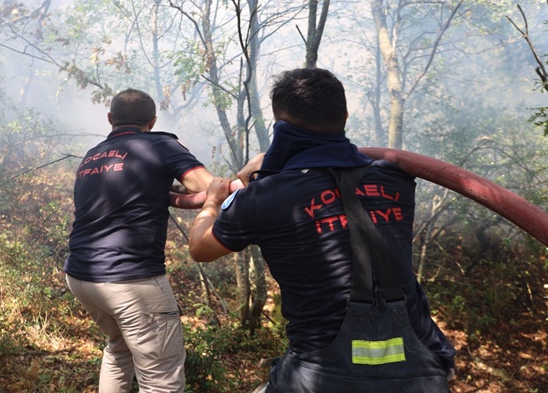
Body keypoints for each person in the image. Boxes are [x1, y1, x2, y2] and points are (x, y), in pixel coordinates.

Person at [189, 68, 456, 392]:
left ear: (279, 127)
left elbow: (200, 248)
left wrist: (214, 201)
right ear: (344, 116)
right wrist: (271, 163)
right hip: (423, 373)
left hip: (319, 379)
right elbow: (340, 170)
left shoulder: (263, 198)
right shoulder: (394, 181)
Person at [64, 88, 213, 393]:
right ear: (153, 120)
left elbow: (128, 192)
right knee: (161, 380)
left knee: (119, 351)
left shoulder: (92, 155)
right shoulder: (159, 144)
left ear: (110, 119)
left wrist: (167, 192)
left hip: (81, 276)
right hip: (131, 280)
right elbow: (209, 187)